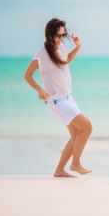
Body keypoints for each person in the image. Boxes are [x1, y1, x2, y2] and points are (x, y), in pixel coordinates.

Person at [24, 18, 92, 177]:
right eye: (58, 35)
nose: (61, 38)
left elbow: (66, 60)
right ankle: (75, 163)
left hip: (68, 98)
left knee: (76, 135)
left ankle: (59, 170)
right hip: (57, 102)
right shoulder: (41, 55)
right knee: (87, 127)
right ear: (49, 34)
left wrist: (78, 47)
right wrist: (39, 90)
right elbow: (27, 76)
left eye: (63, 35)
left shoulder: (60, 48)